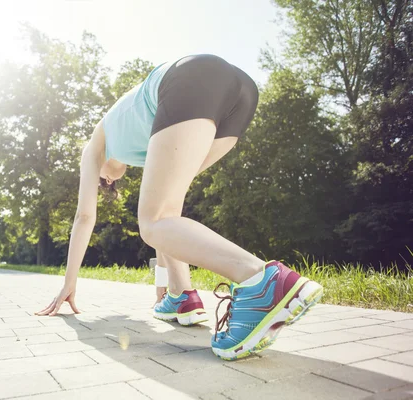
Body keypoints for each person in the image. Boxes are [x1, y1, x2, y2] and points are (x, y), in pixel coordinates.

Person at [35, 54, 323, 360]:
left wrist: (69, 282)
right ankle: (182, 297)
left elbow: (84, 216)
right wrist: (165, 284)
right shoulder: (148, 144)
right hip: (239, 92)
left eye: (102, 181)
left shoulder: (96, 144)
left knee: (151, 222)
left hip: (190, 79)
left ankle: (263, 280)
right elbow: (170, 218)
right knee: (164, 215)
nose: (104, 182)